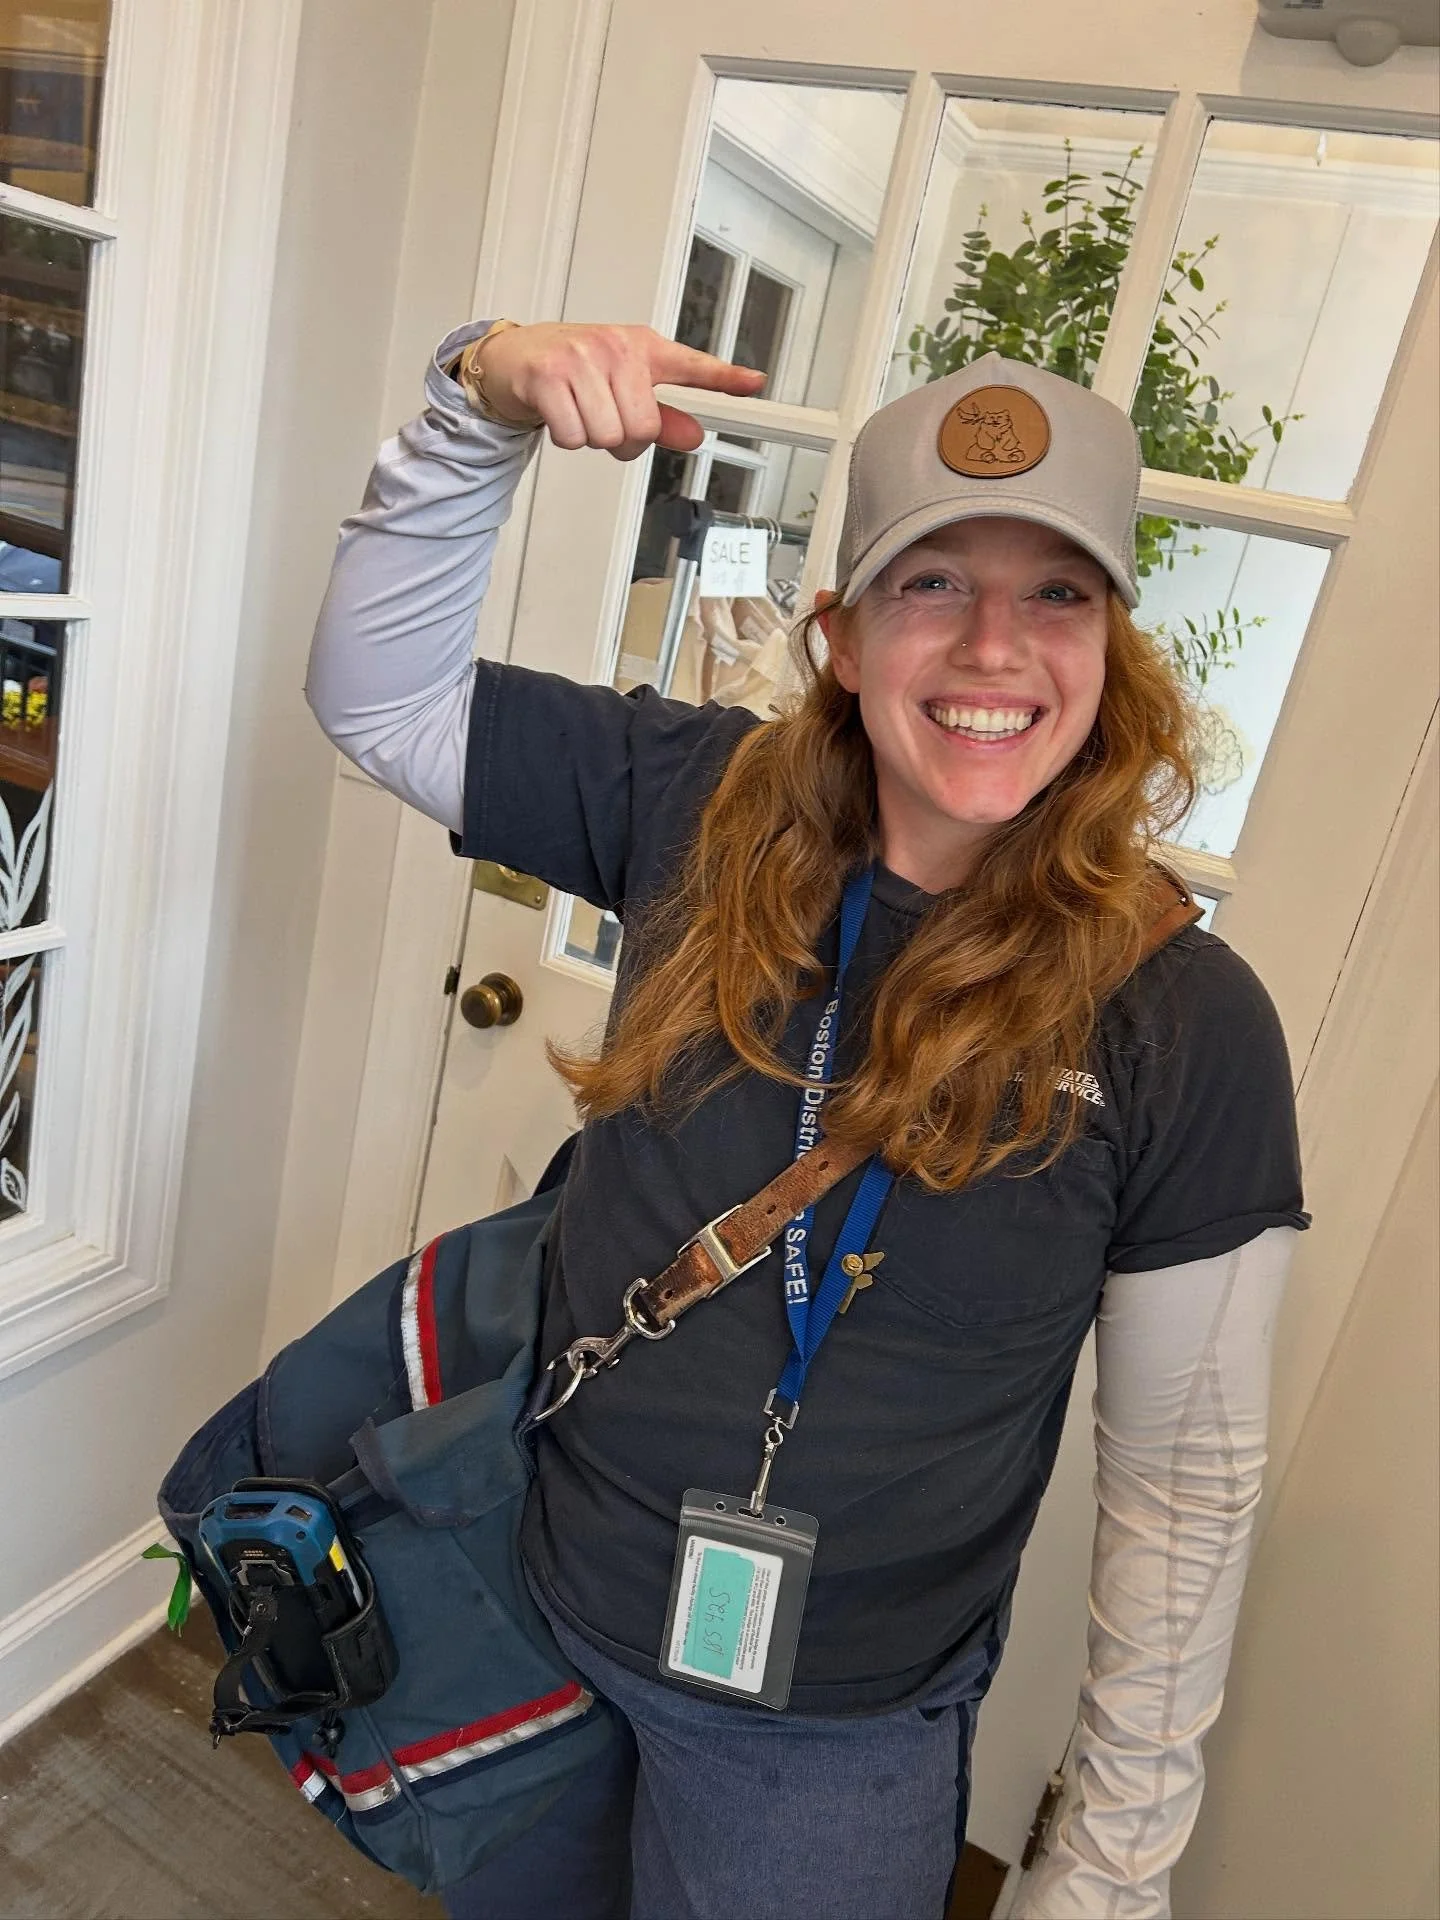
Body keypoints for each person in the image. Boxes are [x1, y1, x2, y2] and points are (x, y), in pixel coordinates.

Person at [305, 319, 1309, 1920]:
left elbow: (1185, 1487)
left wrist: (1112, 1872)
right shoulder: (696, 801)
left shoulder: (1190, 1023)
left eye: (1055, 591)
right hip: (539, 1601)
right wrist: (473, 396)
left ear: (1113, 645)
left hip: (831, 1744)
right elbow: (379, 702)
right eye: (934, 585)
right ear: (843, 636)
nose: (994, 648)